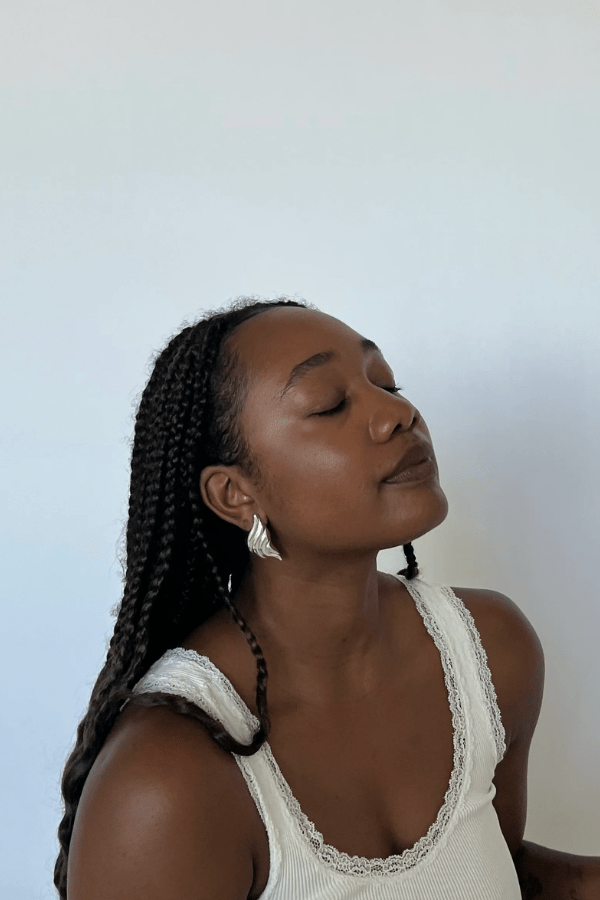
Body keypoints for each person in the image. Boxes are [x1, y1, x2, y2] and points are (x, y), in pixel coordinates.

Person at [55, 297, 600, 900]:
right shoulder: (165, 783)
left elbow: (494, 870)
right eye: (330, 404)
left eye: (387, 384)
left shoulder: (490, 653)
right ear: (235, 493)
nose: (398, 413)